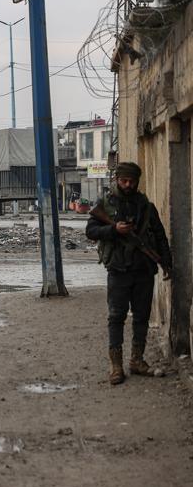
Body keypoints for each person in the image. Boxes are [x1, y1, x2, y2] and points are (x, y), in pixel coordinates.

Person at [85, 162, 172, 386]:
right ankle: (116, 366)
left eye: (132, 181)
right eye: (124, 180)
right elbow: (91, 231)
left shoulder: (145, 206)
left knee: (142, 316)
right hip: (118, 269)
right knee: (116, 317)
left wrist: (166, 263)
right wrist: (113, 229)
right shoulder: (105, 204)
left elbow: (160, 236)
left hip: (143, 270)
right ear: (117, 180)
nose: (128, 185)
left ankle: (137, 360)